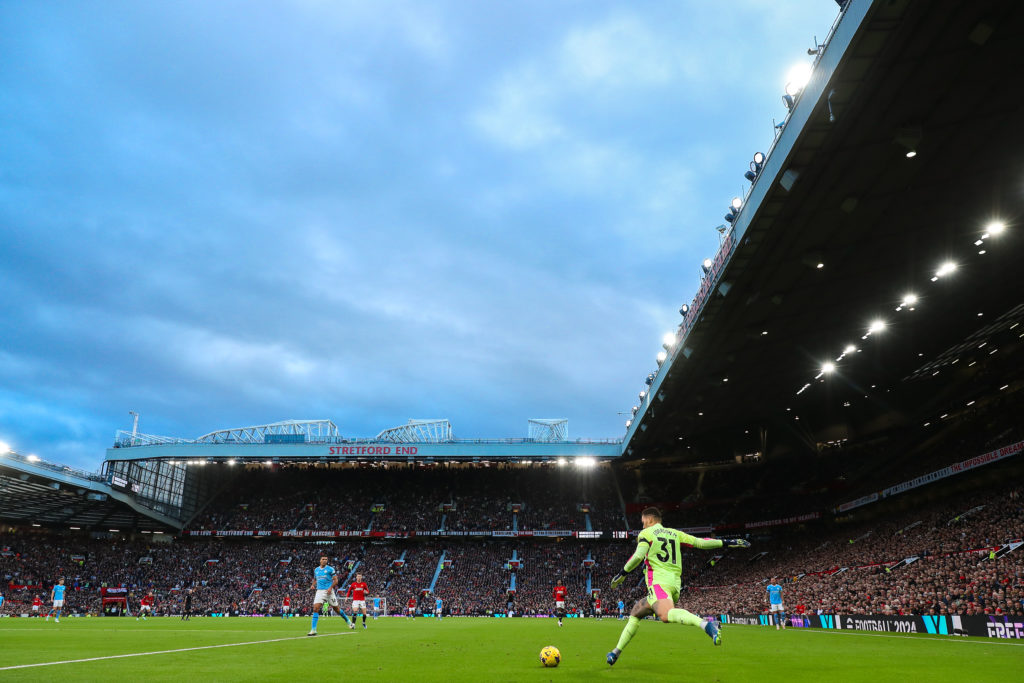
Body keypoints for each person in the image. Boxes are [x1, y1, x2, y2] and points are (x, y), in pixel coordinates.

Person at [606, 507, 751, 667]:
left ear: (650, 520)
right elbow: (700, 542)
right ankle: (615, 652)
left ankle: (708, 625)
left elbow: (639, 556)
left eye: (643, 522)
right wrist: (727, 542)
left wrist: (622, 574)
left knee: (665, 615)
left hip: (659, 583)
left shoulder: (646, 534)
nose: (642, 526)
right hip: (674, 585)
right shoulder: (675, 533)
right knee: (636, 611)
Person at [307, 555, 353, 636]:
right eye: (323, 559)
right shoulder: (316, 570)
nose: (324, 560)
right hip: (320, 591)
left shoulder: (330, 569)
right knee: (315, 608)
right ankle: (313, 630)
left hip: (329, 591)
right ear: (320, 560)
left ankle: (348, 621)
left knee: (337, 609)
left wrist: (330, 588)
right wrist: (313, 585)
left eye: (326, 559)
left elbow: (336, 581)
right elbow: (315, 579)